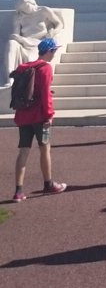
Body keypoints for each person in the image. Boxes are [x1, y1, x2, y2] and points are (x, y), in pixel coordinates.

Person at [12, 37, 67, 200]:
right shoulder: (45, 68)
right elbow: (45, 95)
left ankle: (18, 191)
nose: (54, 54)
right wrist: (50, 115)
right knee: (44, 149)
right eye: (54, 51)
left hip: (23, 114)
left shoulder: (24, 67)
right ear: (49, 51)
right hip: (39, 115)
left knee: (23, 151)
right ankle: (48, 184)